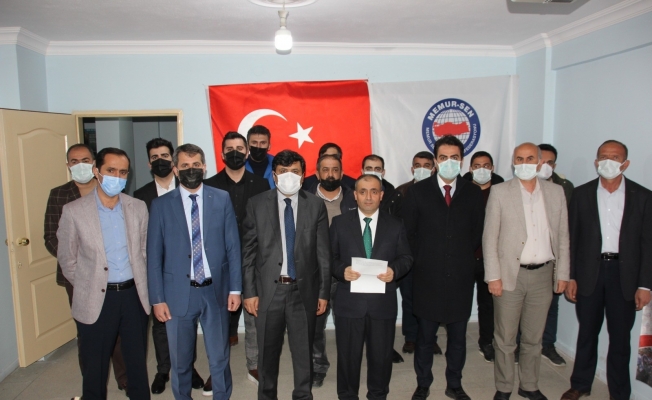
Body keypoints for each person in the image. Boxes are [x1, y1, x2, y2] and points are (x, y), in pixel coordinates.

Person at [147, 144, 242, 400]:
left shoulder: (221, 199)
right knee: (180, 361)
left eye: (196, 165)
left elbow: (233, 247)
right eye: (185, 166)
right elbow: (154, 257)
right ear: (176, 170)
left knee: (219, 357)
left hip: (216, 291)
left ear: (204, 167)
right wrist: (157, 299)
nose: (192, 170)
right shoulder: (160, 205)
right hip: (177, 294)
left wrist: (235, 289)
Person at [57, 147, 150, 400]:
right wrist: (89, 283)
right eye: (111, 170)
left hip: (133, 296)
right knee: (94, 367)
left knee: (136, 364)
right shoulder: (74, 211)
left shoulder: (138, 207)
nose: (116, 177)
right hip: (96, 297)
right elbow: (67, 259)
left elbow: (143, 251)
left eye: (123, 172)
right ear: (96, 171)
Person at [561, 140, 652, 400]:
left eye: (615, 157)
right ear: (596, 161)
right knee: (587, 333)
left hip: (624, 276)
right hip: (589, 273)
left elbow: (648, 243)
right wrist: (571, 277)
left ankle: (619, 392)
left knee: (620, 338)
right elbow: (571, 238)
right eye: (603, 156)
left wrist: (645, 285)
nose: (608, 161)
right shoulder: (581, 194)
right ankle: (580, 384)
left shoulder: (643, 197)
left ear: (626, 163)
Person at [483, 142, 570, 400]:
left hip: (544, 275)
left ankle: (529, 385)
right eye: (519, 159)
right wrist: (493, 276)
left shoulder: (556, 192)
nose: (524, 164)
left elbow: (563, 236)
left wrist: (562, 274)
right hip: (510, 274)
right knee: (505, 338)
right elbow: (490, 238)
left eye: (530, 158)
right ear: (513, 163)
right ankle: (504, 387)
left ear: (540, 162)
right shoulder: (500, 192)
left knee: (534, 337)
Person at [242, 150, 331, 400]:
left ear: (303, 176)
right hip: (269, 292)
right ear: (274, 175)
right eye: (283, 171)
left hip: (304, 292)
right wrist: (249, 292)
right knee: (267, 354)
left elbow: (323, 254)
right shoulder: (256, 204)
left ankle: (303, 395)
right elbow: (248, 253)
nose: (288, 176)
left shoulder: (316, 205)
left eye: (294, 171)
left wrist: (323, 293)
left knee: (303, 353)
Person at [403, 135, 485, 400]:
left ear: (462, 160)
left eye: (455, 157)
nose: (449, 162)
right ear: (436, 161)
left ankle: (454, 384)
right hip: (427, 277)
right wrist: (425, 260)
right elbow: (409, 234)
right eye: (443, 157)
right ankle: (423, 383)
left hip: (460, 277)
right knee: (425, 338)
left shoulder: (473, 193)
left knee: (458, 338)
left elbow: (476, 234)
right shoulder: (418, 192)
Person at [330, 173, 413, 400]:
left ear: (381, 195)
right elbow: (329, 258)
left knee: (381, 357)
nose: (369, 197)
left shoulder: (395, 224)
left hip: (382, 303)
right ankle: (348, 395)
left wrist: (394, 270)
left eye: (374, 191)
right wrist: (341, 270)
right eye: (363, 192)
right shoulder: (339, 223)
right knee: (348, 357)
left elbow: (406, 257)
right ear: (355, 195)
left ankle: (377, 395)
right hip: (349, 303)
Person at [133, 138, 205, 395]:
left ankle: (188, 367)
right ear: (148, 163)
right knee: (161, 324)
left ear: (173, 163)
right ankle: (163, 369)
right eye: (155, 157)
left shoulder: (189, 187)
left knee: (187, 323)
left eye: (165, 155)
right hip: (158, 269)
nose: (160, 160)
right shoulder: (141, 196)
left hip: (188, 269)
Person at [203, 132, 270, 393]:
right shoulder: (208, 185)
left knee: (254, 316)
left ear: (247, 152)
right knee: (218, 320)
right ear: (222, 154)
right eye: (229, 148)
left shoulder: (261, 185)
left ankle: (255, 364)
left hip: (253, 261)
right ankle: (217, 370)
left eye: (239, 148)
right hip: (219, 262)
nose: (235, 152)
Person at [515, 144, 573, 367]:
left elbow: (564, 231)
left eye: (549, 162)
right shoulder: (510, 189)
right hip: (519, 263)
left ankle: (547, 344)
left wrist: (564, 271)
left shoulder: (562, 189)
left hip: (548, 262)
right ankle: (519, 345)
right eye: (540, 161)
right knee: (517, 310)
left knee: (551, 307)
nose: (542, 166)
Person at [304, 153, 357, 387]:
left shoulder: (353, 198)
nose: (330, 174)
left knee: (348, 325)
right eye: (325, 170)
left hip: (346, 272)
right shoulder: (305, 199)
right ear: (317, 174)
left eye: (335, 170)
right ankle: (318, 367)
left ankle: (348, 368)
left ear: (342, 173)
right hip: (315, 273)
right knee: (315, 326)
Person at [461, 151, 505, 363]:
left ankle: (486, 341)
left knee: (488, 304)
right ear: (470, 169)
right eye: (477, 166)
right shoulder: (462, 192)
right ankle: (457, 340)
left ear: (492, 168)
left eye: (486, 165)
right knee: (460, 302)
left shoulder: (501, 192)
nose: (481, 170)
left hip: (491, 259)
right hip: (466, 257)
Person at [395, 151, 436, 356]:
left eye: (427, 165)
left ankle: (430, 338)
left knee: (431, 299)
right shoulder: (402, 191)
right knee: (409, 298)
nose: (422, 169)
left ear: (433, 168)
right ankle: (411, 337)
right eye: (418, 165)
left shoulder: (440, 191)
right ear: (412, 169)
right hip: (408, 255)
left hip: (433, 256)